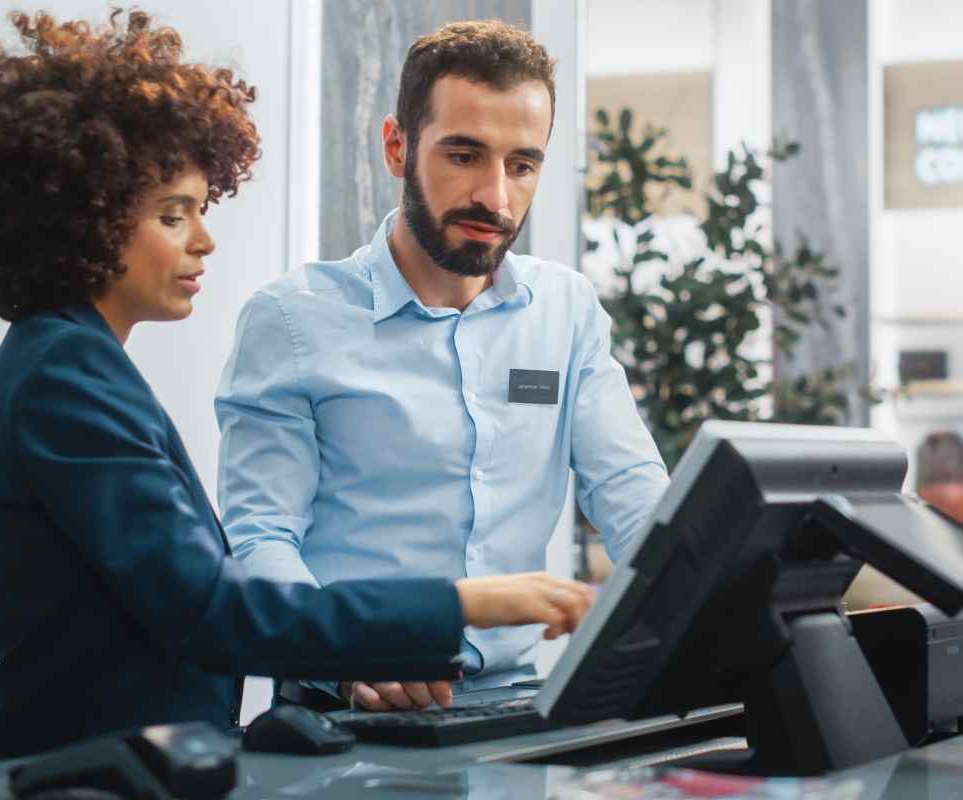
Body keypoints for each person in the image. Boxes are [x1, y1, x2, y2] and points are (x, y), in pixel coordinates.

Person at [0, 10, 592, 764]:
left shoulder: (74, 363)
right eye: (174, 215)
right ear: (84, 220)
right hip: (69, 771)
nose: (204, 239)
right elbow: (215, 609)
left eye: (202, 209)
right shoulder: (63, 377)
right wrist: (466, 603)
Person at [216, 20, 669, 711]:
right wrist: (341, 655)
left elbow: (634, 494)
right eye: (464, 156)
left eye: (522, 165)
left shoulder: (566, 311)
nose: (497, 197)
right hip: (345, 707)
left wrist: (711, 590)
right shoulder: (291, 320)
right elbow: (260, 538)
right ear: (397, 147)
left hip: (521, 704)